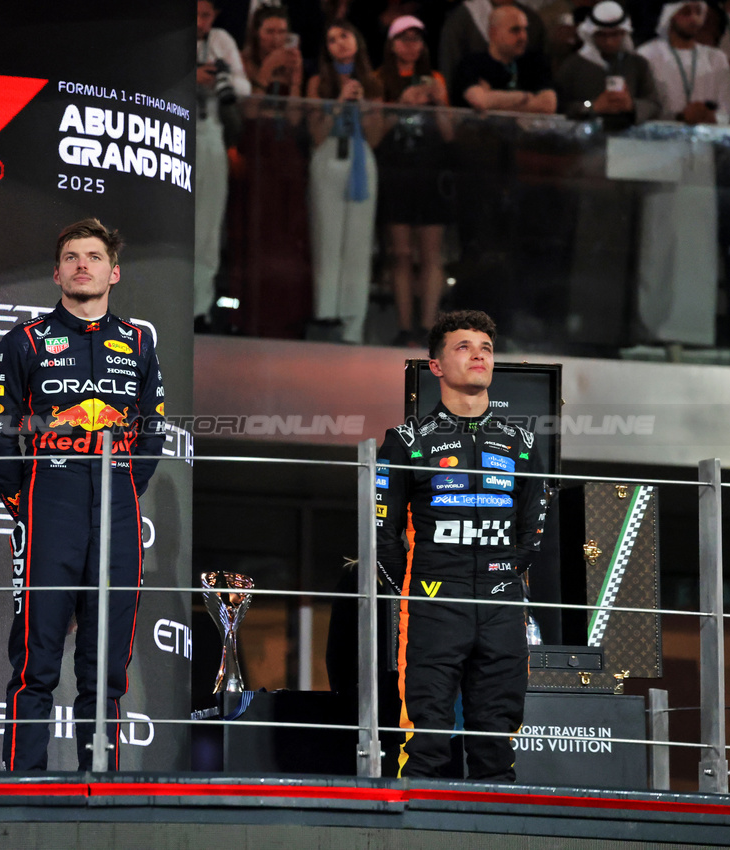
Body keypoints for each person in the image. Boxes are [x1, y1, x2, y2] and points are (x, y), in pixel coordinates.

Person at [0, 219, 166, 772]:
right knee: (36, 661)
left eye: (93, 255)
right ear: (56, 272)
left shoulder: (139, 341)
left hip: (117, 506)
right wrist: (27, 502)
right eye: (70, 256)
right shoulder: (25, 341)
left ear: (114, 271)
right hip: (49, 504)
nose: (81, 264)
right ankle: (23, 787)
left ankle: (100, 785)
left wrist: (126, 487)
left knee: (105, 663)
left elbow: (154, 428)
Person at [376, 310, 547, 781]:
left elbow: (533, 528)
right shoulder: (404, 442)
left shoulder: (523, 442)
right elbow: (381, 535)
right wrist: (416, 587)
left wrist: (502, 575)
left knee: (496, 740)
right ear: (435, 366)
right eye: (464, 347)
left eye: (486, 348)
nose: (479, 356)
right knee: (427, 736)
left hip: (502, 604)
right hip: (433, 602)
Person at [223, 4, 313, 338]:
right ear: (256, 34)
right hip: (254, 157)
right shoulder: (243, 63)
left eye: (281, 32)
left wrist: (296, 79)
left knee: (288, 238)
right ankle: (245, 317)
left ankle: (288, 319)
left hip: (286, 159)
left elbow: (294, 119)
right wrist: (265, 73)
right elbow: (247, 113)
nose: (275, 38)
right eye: (269, 31)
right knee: (252, 235)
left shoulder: (292, 63)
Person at [375, 15, 454, 347]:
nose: (411, 45)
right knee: (402, 253)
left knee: (431, 254)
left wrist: (437, 101)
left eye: (417, 39)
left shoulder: (435, 79)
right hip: (397, 172)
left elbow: (450, 134)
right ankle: (405, 326)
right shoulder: (380, 80)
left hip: (430, 172)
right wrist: (400, 105)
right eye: (404, 38)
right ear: (392, 44)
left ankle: (427, 326)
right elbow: (375, 134)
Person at [307, 21, 384, 344]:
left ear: (357, 40)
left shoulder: (374, 82)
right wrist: (339, 100)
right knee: (327, 240)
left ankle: (354, 324)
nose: (339, 43)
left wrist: (364, 105)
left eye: (344, 36)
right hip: (328, 158)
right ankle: (327, 317)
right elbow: (316, 133)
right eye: (331, 39)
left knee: (357, 244)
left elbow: (376, 135)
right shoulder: (317, 82)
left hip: (361, 160)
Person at [196, 0, 252, 330]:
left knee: (208, 227)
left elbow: (243, 88)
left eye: (206, 15)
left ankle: (200, 309)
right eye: (197, 13)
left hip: (213, 135)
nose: (201, 21)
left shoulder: (221, 41)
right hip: (175, 131)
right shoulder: (171, 38)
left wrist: (220, 76)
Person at [555, 1, 662, 128]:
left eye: (614, 34)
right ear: (592, 34)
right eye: (602, 35)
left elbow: (654, 105)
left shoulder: (638, 64)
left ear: (624, 33)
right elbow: (560, 106)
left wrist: (631, 105)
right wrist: (592, 106)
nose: (609, 42)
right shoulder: (573, 65)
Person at [637, 1, 730, 123]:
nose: (694, 19)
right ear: (670, 15)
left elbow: (726, 109)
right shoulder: (647, 54)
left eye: (698, 12)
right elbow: (643, 108)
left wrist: (712, 117)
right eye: (686, 12)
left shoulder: (716, 58)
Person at [453, 5, 558, 112]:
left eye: (525, 29)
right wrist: (525, 97)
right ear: (493, 33)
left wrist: (493, 97)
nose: (523, 36)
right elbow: (481, 101)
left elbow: (548, 105)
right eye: (515, 30)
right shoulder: (471, 64)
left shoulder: (535, 62)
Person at [440, 0, 550, 93]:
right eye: (515, 30)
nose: (522, 36)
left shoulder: (532, 20)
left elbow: (547, 96)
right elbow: (449, 66)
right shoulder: (463, 18)